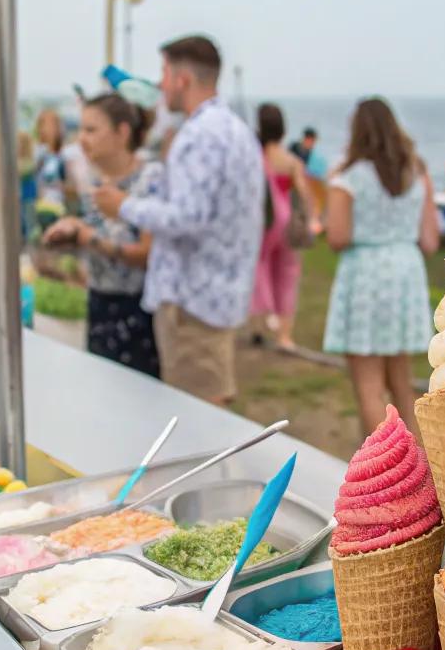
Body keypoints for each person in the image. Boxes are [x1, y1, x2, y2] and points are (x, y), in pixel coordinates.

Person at [95, 35, 264, 405]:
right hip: (219, 292)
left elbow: (187, 217)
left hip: (193, 300)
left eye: (164, 73)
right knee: (210, 408)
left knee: (195, 422)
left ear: (182, 79)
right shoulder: (235, 129)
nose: (160, 84)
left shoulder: (200, 135)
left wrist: (124, 205)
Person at [323, 97, 438, 436]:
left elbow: (337, 237)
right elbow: (430, 241)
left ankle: (383, 476)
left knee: (369, 386)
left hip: (366, 276)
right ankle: (415, 470)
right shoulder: (416, 173)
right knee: (401, 384)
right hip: (406, 273)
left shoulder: (348, 177)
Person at [44, 94, 163, 376]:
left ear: (122, 132)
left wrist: (88, 238)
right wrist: (71, 233)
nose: (82, 139)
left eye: (91, 130)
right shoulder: (93, 182)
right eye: (80, 130)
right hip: (99, 303)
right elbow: (97, 235)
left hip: (139, 312)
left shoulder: (151, 178)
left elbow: (148, 254)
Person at [251, 104, 312, 349]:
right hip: (286, 219)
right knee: (287, 275)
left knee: (260, 268)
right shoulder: (291, 161)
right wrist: (308, 220)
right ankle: (285, 335)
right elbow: (305, 194)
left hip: (264, 219)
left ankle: (263, 322)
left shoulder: (256, 158)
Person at [34, 109, 70, 220]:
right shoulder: (36, 152)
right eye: (43, 124)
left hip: (59, 207)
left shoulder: (65, 154)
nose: (46, 129)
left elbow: (69, 184)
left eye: (51, 124)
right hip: (39, 207)